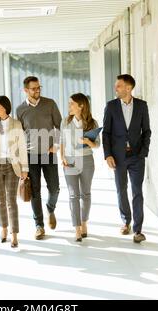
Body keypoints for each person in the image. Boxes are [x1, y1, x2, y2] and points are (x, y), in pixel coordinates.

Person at [102, 74, 152, 243]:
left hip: (137, 156)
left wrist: (144, 152)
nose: (116, 88)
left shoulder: (142, 106)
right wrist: (107, 154)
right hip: (118, 156)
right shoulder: (111, 107)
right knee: (121, 189)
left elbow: (146, 131)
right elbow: (106, 133)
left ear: (128, 88)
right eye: (116, 85)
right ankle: (126, 221)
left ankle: (138, 230)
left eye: (119, 86)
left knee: (137, 191)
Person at [16, 76, 62, 240]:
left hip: (49, 153)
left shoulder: (50, 104)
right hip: (30, 156)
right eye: (33, 88)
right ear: (26, 90)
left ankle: (50, 208)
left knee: (54, 188)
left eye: (38, 88)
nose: (37, 91)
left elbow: (59, 125)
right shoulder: (20, 110)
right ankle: (39, 226)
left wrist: (56, 144)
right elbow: (20, 136)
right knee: (35, 191)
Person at [0, 96, 29, 248]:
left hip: (12, 166)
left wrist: (25, 169)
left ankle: (14, 234)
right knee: (0, 200)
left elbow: (22, 147)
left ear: (5, 107)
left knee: (11, 201)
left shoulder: (16, 124)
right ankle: (3, 229)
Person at [60, 93, 100, 242]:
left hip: (87, 160)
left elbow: (97, 144)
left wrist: (88, 142)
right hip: (70, 161)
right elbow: (62, 141)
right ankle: (76, 228)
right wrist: (62, 157)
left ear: (81, 106)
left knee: (86, 194)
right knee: (73, 195)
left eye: (71, 104)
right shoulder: (65, 122)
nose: (69, 106)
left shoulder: (92, 123)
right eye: (69, 103)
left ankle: (84, 223)